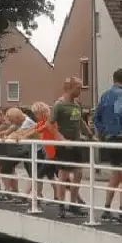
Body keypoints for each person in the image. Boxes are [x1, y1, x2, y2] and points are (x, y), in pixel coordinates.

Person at [94, 68, 122, 223]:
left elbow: (96, 117)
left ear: (114, 79)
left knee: (115, 174)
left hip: (109, 139)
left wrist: (103, 132)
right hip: (120, 138)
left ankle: (106, 209)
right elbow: (120, 113)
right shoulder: (121, 94)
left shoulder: (105, 95)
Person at [51, 78, 89, 218]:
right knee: (63, 175)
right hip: (63, 146)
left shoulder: (77, 105)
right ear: (70, 87)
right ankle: (61, 206)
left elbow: (80, 122)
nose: (80, 90)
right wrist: (61, 138)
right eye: (78, 88)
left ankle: (73, 204)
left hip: (76, 144)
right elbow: (50, 124)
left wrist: (90, 134)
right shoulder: (59, 105)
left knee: (78, 173)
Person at [0, 107, 36, 202]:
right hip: (24, 150)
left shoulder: (27, 122)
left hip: (33, 150)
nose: (12, 123)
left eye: (12, 120)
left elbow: (18, 134)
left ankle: (26, 197)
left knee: (34, 173)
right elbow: (11, 129)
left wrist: (7, 137)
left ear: (17, 118)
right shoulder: (19, 120)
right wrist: (4, 134)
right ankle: (10, 193)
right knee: (5, 167)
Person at [31, 101, 61, 203]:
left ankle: (37, 197)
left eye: (36, 113)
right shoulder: (41, 122)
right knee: (54, 175)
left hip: (54, 154)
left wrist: (21, 136)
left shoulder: (49, 122)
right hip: (49, 154)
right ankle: (57, 197)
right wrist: (19, 134)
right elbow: (32, 130)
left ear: (43, 112)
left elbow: (35, 132)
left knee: (40, 175)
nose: (35, 116)